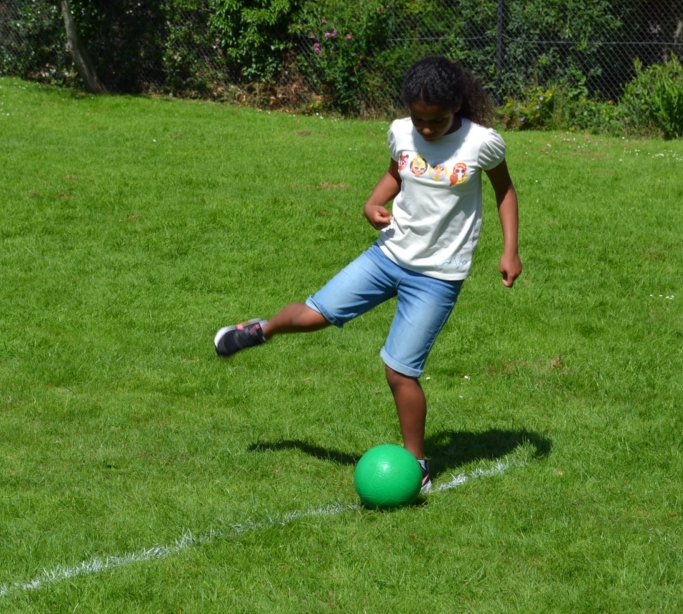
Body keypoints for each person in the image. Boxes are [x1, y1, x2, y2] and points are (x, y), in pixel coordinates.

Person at [213, 56, 522, 492]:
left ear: (456, 105)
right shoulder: (401, 132)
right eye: (419, 119)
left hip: (437, 276)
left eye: (435, 121)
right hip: (387, 256)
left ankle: (416, 464)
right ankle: (260, 330)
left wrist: (510, 250)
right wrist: (372, 202)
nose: (426, 129)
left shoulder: (481, 143)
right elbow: (396, 171)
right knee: (313, 316)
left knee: (400, 371)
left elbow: (504, 190)